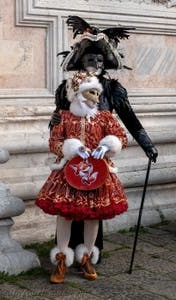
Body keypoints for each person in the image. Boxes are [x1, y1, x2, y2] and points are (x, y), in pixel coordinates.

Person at [49, 16, 158, 259]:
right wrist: (57, 129)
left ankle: (90, 253)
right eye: (90, 58)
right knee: (69, 206)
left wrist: (147, 145)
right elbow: (58, 122)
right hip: (74, 158)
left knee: (94, 207)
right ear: (82, 61)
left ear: (104, 62)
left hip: (99, 157)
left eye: (99, 59)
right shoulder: (67, 88)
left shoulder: (113, 90)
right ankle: (64, 254)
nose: (95, 62)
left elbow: (129, 120)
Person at [36, 71, 128, 283]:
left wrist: (107, 146)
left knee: (93, 214)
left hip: (99, 172)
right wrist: (72, 148)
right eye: (89, 93)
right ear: (77, 94)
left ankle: (86, 256)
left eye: (96, 92)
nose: (95, 97)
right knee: (65, 213)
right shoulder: (65, 116)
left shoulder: (105, 116)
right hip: (69, 172)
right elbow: (54, 142)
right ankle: (61, 257)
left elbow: (121, 137)